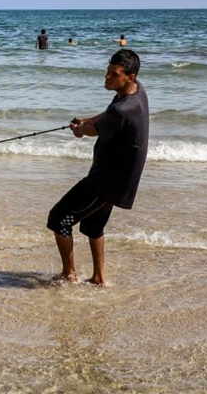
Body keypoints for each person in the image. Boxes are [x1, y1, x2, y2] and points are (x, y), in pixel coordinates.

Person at [46, 49, 148, 286]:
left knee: (58, 218)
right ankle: (99, 279)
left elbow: (95, 129)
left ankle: (69, 275)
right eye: (107, 71)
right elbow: (107, 116)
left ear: (130, 77)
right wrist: (86, 120)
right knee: (93, 226)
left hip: (105, 182)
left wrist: (80, 129)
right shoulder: (136, 92)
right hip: (116, 179)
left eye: (114, 74)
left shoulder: (125, 108)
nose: (107, 77)